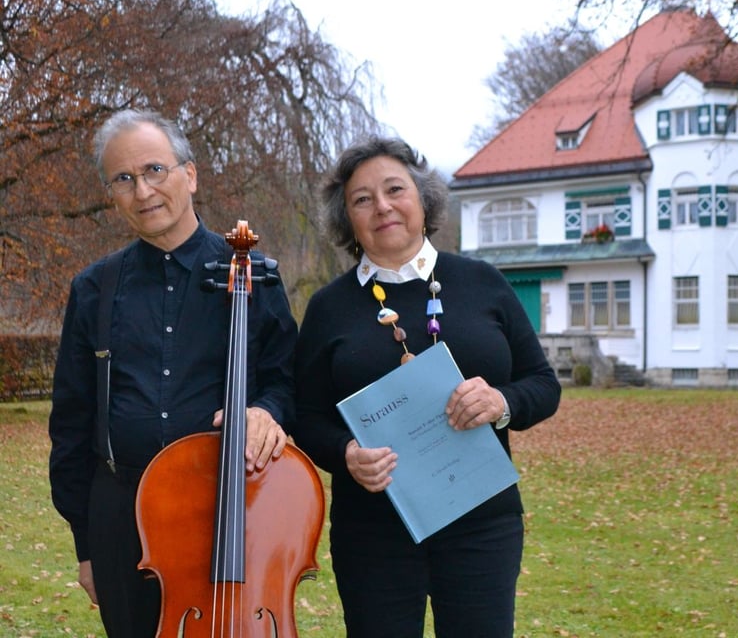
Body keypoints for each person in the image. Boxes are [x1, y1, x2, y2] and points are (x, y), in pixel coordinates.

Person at [293, 136, 561, 638]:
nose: (382, 206)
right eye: (362, 199)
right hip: (373, 530)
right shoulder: (329, 308)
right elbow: (304, 415)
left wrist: (502, 402)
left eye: (395, 189)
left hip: (482, 521)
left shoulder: (483, 282)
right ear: (346, 218)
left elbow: (543, 385)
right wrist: (345, 452)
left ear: (422, 197)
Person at [48, 108, 297, 638]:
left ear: (190, 174)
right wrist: (87, 548)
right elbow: (72, 422)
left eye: (155, 170)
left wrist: (265, 410)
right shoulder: (93, 289)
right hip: (124, 522)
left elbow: (286, 379)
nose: (143, 192)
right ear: (111, 193)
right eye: (124, 179)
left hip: (230, 512)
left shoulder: (253, 274)